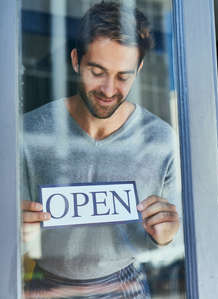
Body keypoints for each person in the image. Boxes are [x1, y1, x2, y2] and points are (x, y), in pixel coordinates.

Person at [22, 2, 180, 298]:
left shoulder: (161, 139)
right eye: (97, 71)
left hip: (126, 284)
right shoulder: (28, 132)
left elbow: (178, 232)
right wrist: (11, 229)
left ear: (140, 68)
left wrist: (167, 236)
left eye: (123, 76)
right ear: (75, 61)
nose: (109, 90)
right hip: (47, 285)